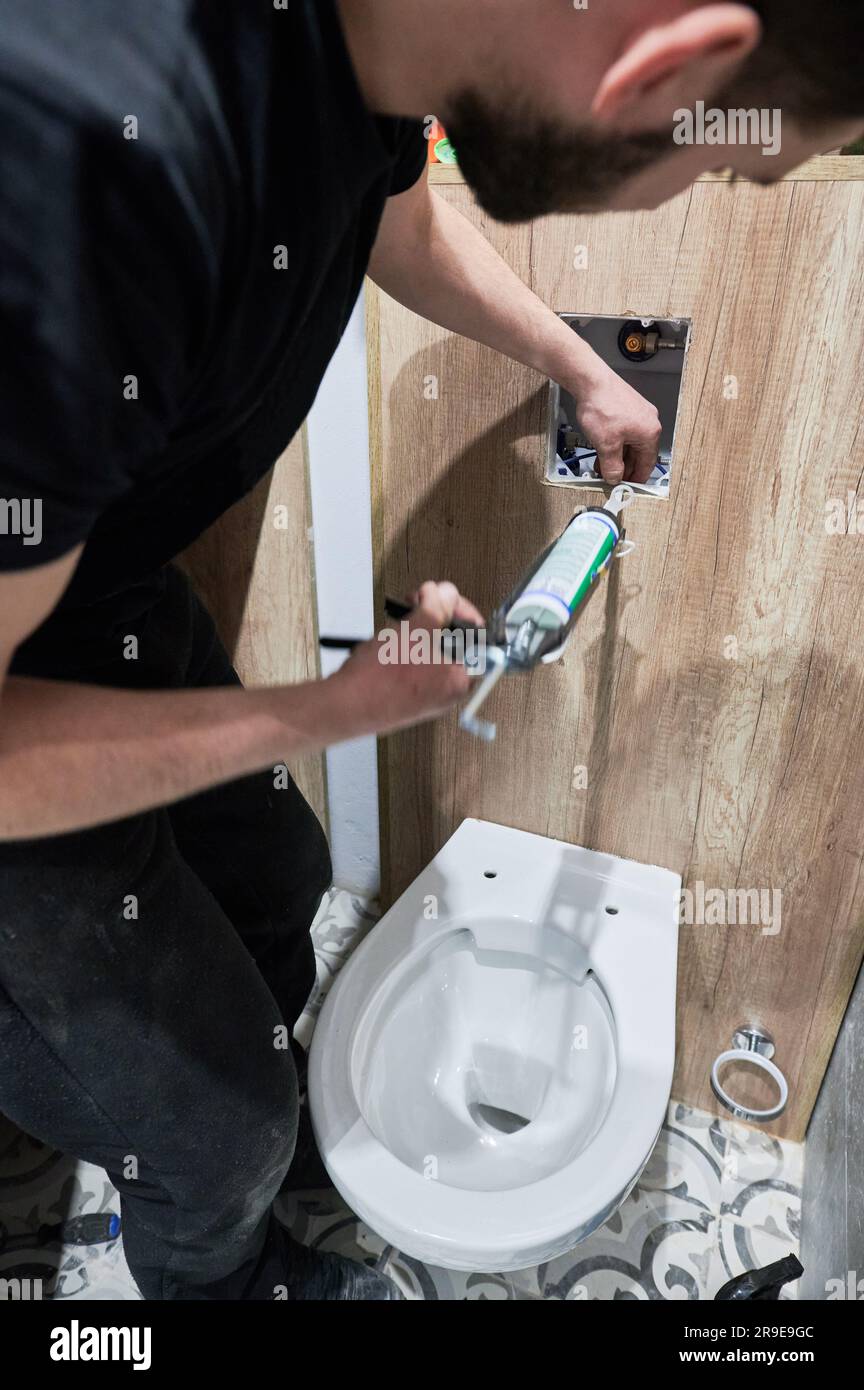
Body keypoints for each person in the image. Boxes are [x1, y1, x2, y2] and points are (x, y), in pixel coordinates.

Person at [0, 0, 860, 1300]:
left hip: (87, 589)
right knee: (212, 1138)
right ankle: (223, 1249)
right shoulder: (88, 146)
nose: (715, 183)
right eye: (732, 157)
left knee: (279, 869)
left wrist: (576, 361)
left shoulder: (359, 48)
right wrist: (324, 709)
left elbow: (392, 216)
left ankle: (275, 1137)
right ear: (669, 69)